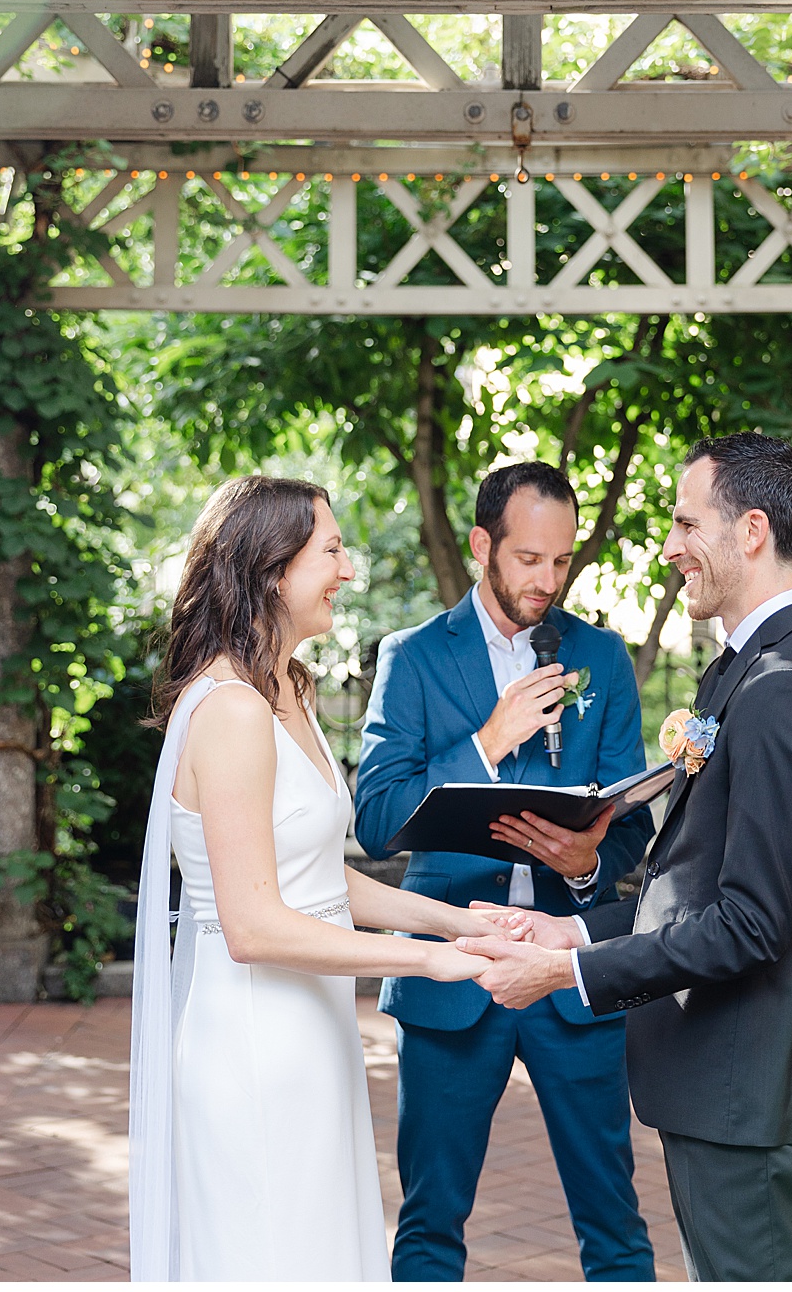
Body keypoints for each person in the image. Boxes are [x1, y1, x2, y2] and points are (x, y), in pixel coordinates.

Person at [458, 434, 792, 1284]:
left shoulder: (785, 685)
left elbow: (751, 922)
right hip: (719, 1079)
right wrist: (570, 932)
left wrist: (572, 974)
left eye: (688, 522)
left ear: (751, 530)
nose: (671, 545)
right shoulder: (743, 671)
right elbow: (697, 885)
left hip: (746, 1084)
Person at [129, 475, 512, 1284]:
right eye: (332, 550)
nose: (349, 569)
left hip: (313, 1030)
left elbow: (316, 873)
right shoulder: (230, 709)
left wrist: (453, 922)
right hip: (254, 1040)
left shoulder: (289, 689)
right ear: (273, 570)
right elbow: (255, 923)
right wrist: (426, 959)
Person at [354, 462, 657, 1282]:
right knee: (428, 1222)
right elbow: (376, 819)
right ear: (483, 544)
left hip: (567, 974)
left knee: (615, 1222)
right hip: (453, 971)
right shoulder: (412, 656)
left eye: (560, 562)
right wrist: (486, 741)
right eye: (528, 558)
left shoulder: (601, 656)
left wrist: (590, 862)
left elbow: (632, 833)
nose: (546, 580)